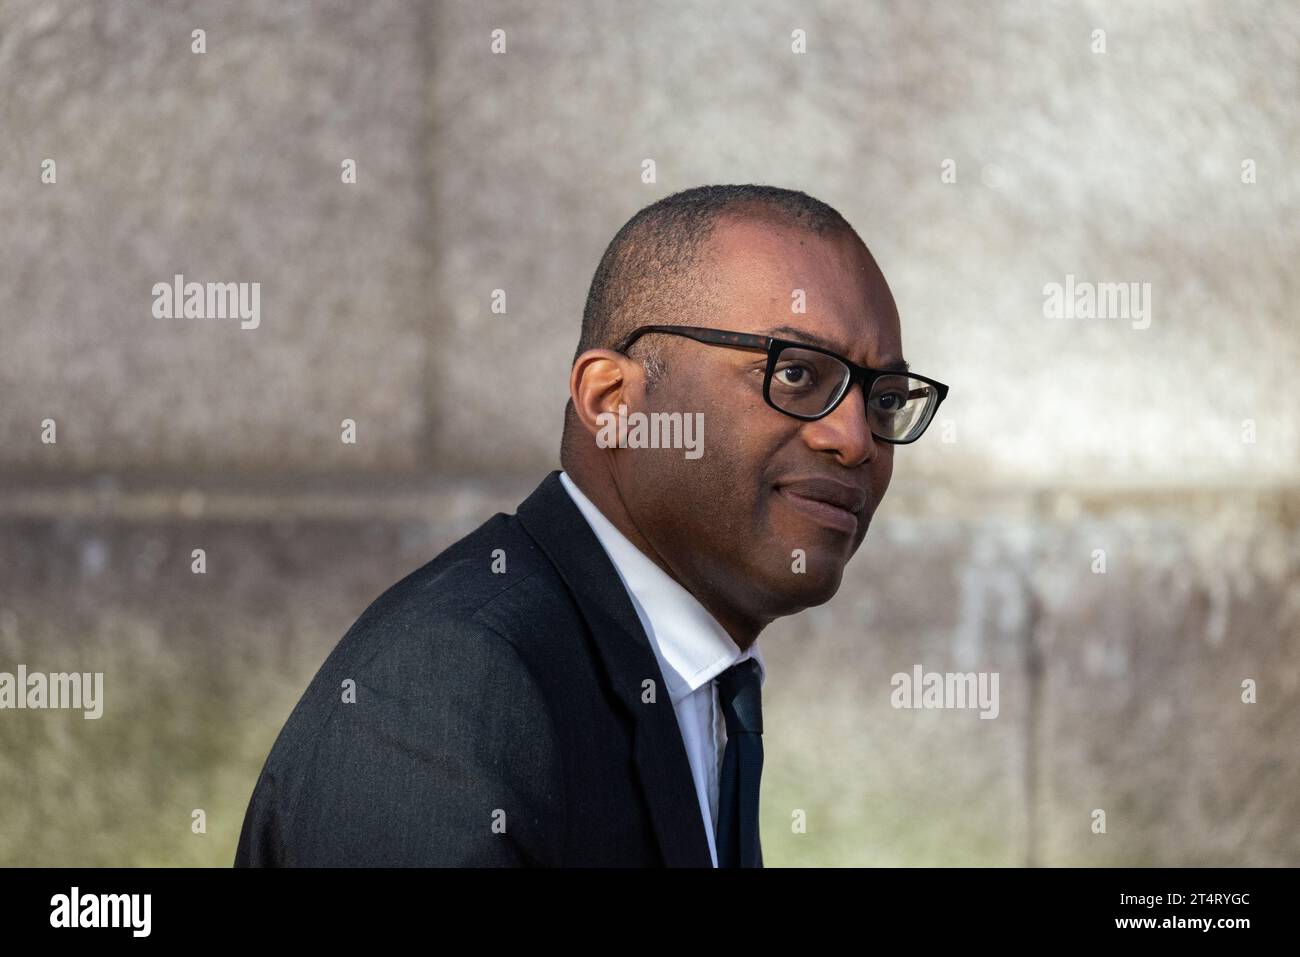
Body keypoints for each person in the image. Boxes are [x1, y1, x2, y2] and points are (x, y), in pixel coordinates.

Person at [234, 184, 949, 867]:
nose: (854, 438)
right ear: (613, 400)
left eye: (884, 398)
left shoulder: (687, 675)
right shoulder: (455, 679)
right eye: (795, 374)